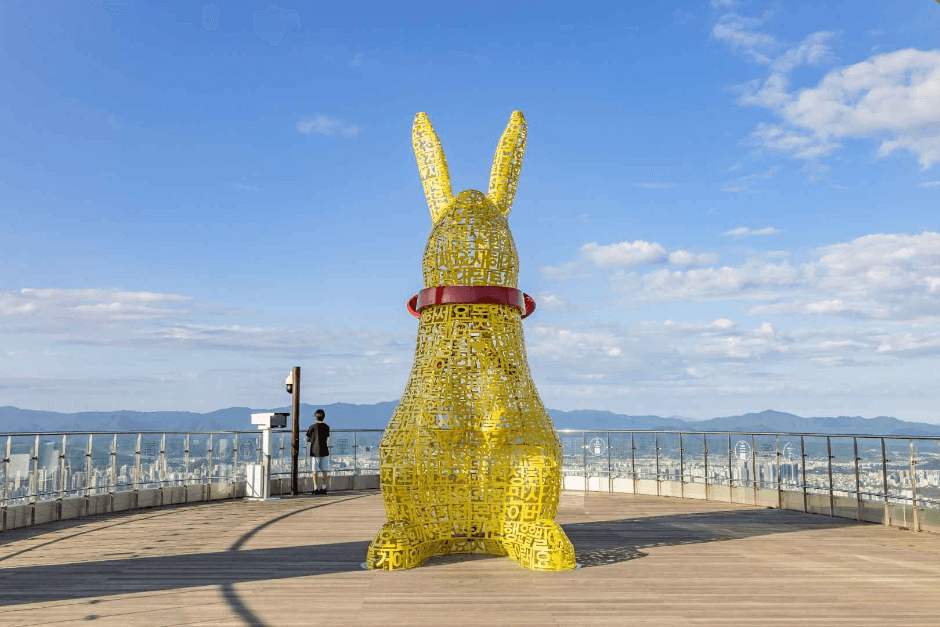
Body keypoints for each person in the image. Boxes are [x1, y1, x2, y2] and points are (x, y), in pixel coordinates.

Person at [306, 408, 330, 494]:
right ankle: (324, 488)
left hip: (314, 451)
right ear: (324, 417)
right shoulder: (327, 427)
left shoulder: (312, 427)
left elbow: (307, 438)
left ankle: (315, 488)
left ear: (315, 417)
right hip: (324, 450)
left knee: (314, 471)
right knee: (324, 470)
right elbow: (326, 437)